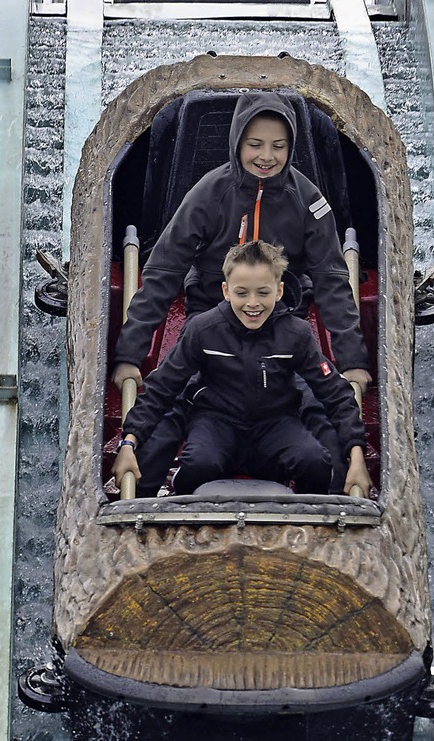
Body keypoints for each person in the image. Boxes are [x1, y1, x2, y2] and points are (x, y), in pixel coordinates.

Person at [112, 91, 371, 495]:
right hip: (212, 324)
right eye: (255, 145)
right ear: (237, 143)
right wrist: (130, 355)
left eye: (278, 146)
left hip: (281, 324)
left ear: (292, 147)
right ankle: (140, 501)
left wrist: (353, 360)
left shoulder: (309, 202)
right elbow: (164, 270)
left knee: (319, 412)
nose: (266, 155)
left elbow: (333, 280)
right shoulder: (209, 192)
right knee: (173, 407)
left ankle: (339, 502)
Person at [112, 240, 372, 497]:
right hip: (216, 422)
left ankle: (313, 518)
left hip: (277, 424)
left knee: (315, 461)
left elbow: (335, 394)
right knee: (198, 464)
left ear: (279, 291)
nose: (252, 303)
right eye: (241, 293)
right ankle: (184, 503)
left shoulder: (297, 334)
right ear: (226, 291)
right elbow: (161, 388)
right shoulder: (202, 330)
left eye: (263, 292)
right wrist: (128, 443)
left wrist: (357, 457)